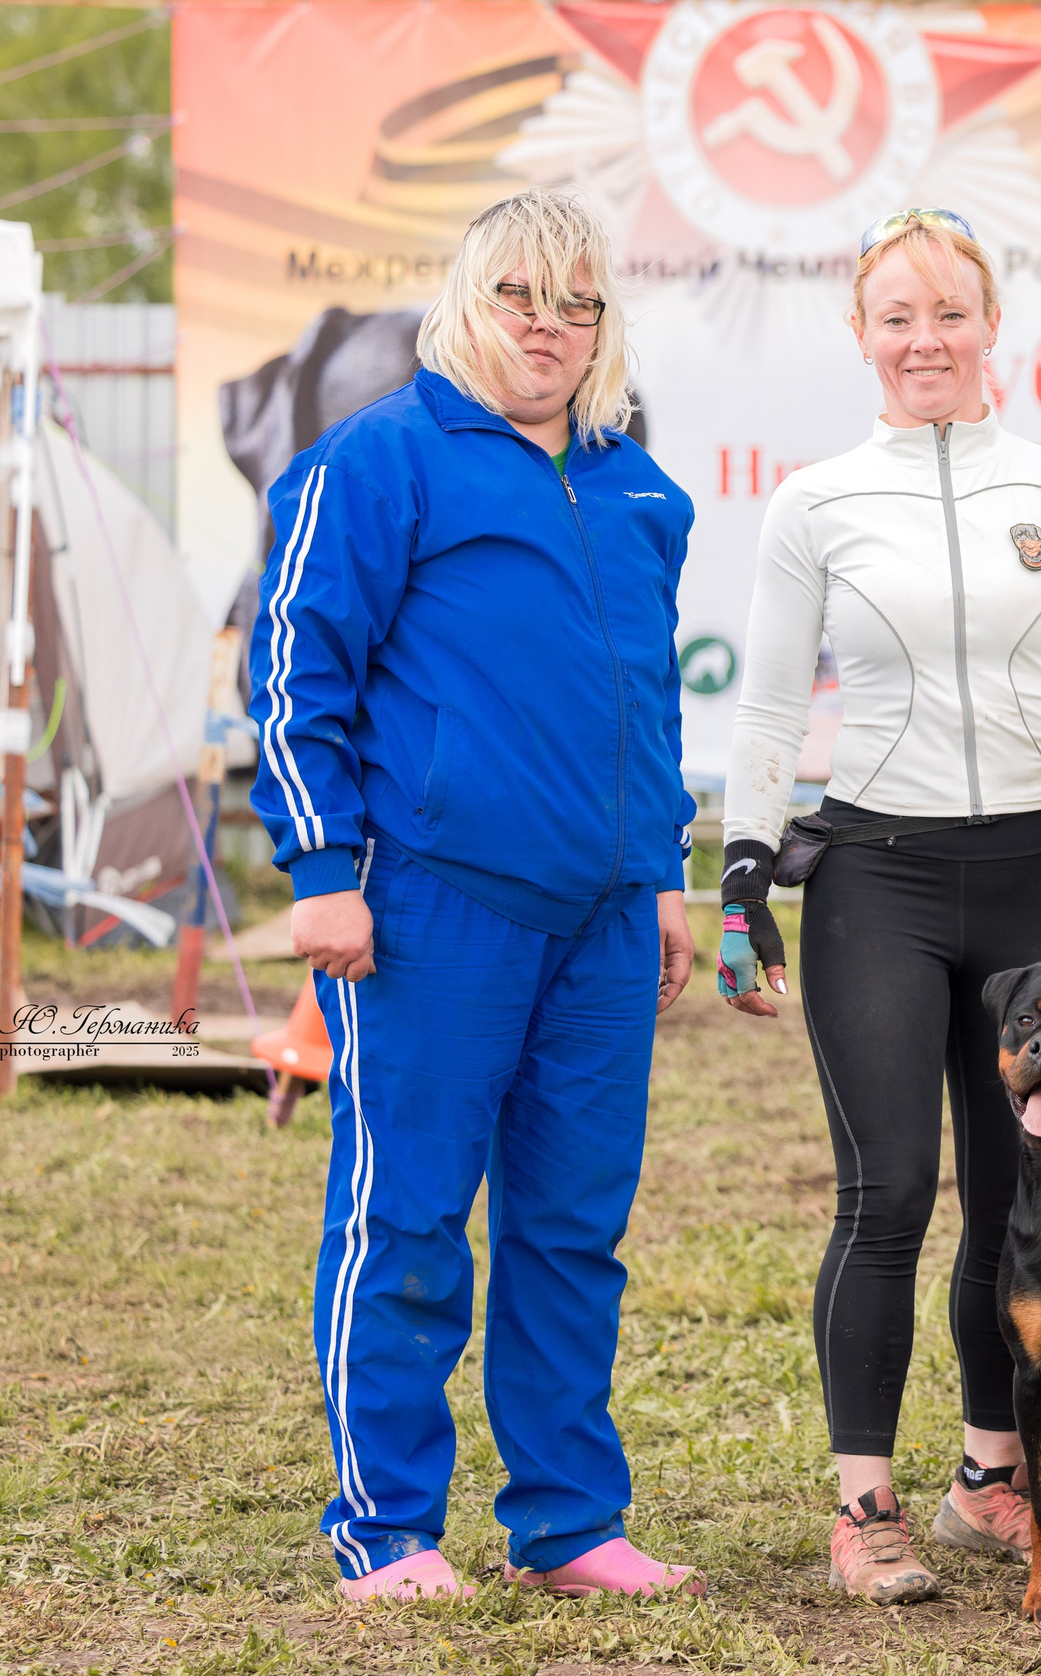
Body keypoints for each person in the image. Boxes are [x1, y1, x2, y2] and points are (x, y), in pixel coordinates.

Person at [715, 208, 1041, 1606]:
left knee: (1017, 1196)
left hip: (1034, 871)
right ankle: (865, 1507)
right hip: (878, 878)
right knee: (889, 1192)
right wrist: (742, 867)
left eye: (950, 313)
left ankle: (990, 1480)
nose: (927, 339)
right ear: (863, 337)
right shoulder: (816, 503)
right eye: (898, 317)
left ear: (992, 328)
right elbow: (772, 702)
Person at [249, 189, 703, 1603]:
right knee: (409, 1219)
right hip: (431, 911)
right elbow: (292, 675)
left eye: (576, 304)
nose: (547, 328)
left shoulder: (636, 486)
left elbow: (644, 703)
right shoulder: (381, 460)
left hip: (605, 924)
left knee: (574, 1227)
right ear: (467, 299)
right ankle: (385, 1530)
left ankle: (569, 1522)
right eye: (520, 296)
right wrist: (323, 872)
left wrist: (664, 871)